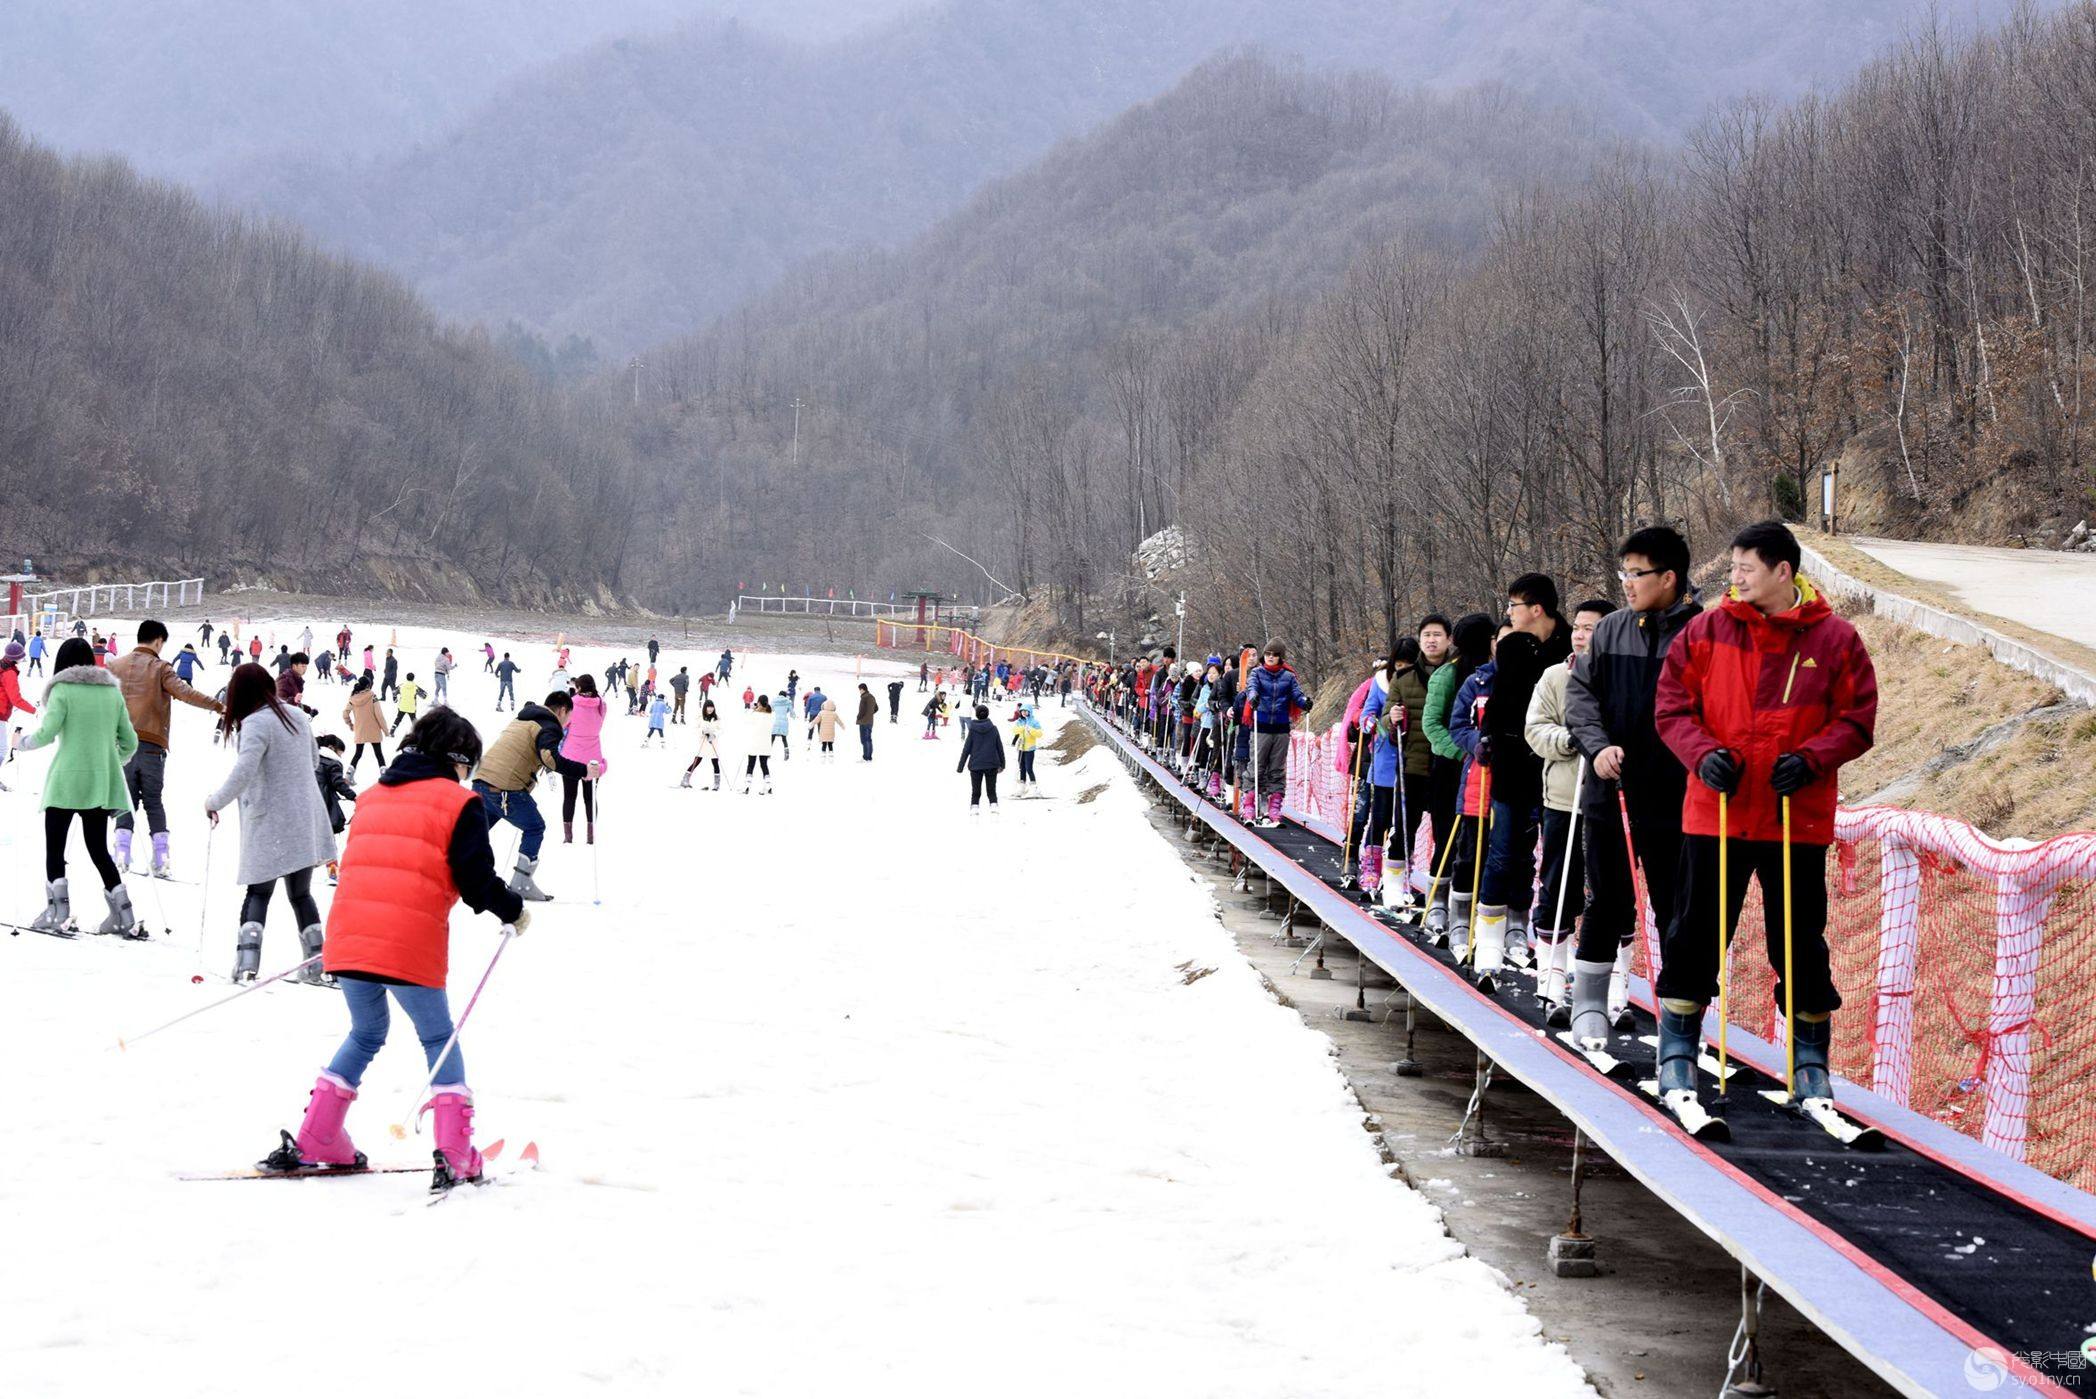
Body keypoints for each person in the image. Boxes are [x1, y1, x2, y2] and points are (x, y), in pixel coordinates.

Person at [1652, 520, 1877, 1120]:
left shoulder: (1836, 639)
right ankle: (1677, 1048)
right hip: (1717, 813)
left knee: (1800, 940)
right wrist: (1702, 754)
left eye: (1745, 567)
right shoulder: (1706, 631)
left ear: (1783, 571)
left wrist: (1812, 759)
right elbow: (1671, 708)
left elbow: (1857, 719)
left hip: (1793, 817)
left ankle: (1810, 1060)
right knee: (1695, 931)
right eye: (1733, 567)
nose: (1735, 577)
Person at [256, 708, 527, 1186]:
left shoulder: (372, 796)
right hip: (408, 944)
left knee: (366, 1032)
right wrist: (513, 909)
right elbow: (475, 880)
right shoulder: (460, 803)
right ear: (457, 759)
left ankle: (318, 1136)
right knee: (438, 1038)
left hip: (348, 937)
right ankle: (455, 1151)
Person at [1565, 525, 1702, 1045]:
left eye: (1637, 573)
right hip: (1612, 789)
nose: (1627, 582)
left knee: (1678, 908)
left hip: (1678, 796)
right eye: (1624, 572)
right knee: (1605, 898)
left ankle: (1682, 1017)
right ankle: (1589, 1003)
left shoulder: (1703, 633)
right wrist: (1597, 746)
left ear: (1669, 577)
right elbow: (1581, 696)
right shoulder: (1610, 630)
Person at [1472, 575, 1573, 984]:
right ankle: (1488, 942)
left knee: (1553, 858)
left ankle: (1543, 943)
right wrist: (1486, 737)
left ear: (1536, 608)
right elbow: (1499, 702)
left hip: (1557, 767)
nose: (1509, 613)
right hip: (1512, 764)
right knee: (1502, 852)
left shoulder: (1569, 646)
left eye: (1514, 605)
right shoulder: (1512, 646)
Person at [206, 663, 336, 984]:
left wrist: (214, 802)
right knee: (301, 894)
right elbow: (314, 761)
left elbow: (244, 771)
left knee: (259, 892)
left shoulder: (254, 723)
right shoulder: (298, 716)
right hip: (304, 817)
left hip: (270, 822)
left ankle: (246, 965)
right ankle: (317, 965)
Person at [1524, 598, 1615, 1020]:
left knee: (1610, 893)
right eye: (1577, 627)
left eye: (1590, 628)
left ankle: (1611, 987)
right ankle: (1550, 979)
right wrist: (1569, 740)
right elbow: (1535, 728)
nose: (1580, 635)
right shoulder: (1555, 676)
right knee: (1558, 885)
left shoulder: (1621, 678)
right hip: (1563, 797)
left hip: (1611, 802)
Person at [19, 637, 142, 935]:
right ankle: (124, 915)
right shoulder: (111, 693)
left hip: (66, 781)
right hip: (99, 784)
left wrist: (21, 743)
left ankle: (57, 912)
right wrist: (110, 761)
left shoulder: (61, 690)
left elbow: (47, 733)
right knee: (98, 848)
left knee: (55, 847)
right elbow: (130, 742)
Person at [110, 620, 226, 878]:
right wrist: (218, 706)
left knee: (125, 799)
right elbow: (185, 692)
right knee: (153, 801)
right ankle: (161, 859)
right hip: (152, 745)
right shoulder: (161, 667)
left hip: (121, 746)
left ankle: (121, 853)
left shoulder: (115, 666)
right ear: (158, 641)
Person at [473, 691, 571, 900]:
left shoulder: (523, 718)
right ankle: (522, 882)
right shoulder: (549, 725)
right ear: (562, 710)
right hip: (504, 788)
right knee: (535, 827)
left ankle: (446, 869)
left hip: (482, 780)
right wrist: (584, 771)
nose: (567, 722)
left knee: (475, 831)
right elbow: (551, 759)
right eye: (569, 716)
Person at [1242, 642, 1310, 828]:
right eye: (1268, 654)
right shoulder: (1257, 673)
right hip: (1261, 726)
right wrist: (1253, 697)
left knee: (1277, 769)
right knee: (1256, 766)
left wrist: (1304, 702)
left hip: (1280, 728)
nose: (1270, 657)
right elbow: (1251, 687)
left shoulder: (1288, 676)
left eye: (1274, 654)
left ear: (1280, 657)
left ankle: (1274, 808)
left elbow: (1296, 694)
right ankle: (1249, 806)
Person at [557, 675, 607, 843]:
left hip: (571, 757)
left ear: (578, 688)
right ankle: (591, 837)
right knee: (590, 797)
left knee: (569, 796)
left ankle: (568, 837)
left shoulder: (571, 704)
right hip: (593, 756)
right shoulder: (601, 704)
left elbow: (563, 724)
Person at [314, 734, 358, 880]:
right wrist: (354, 796)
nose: (340, 756)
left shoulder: (311, 758)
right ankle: (333, 874)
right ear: (332, 748)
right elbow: (338, 784)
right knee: (328, 842)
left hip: (307, 804)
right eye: (340, 753)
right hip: (324, 805)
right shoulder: (332, 763)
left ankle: (296, 873)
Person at [957, 703, 1006, 813]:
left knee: (976, 790)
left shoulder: (973, 730)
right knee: (991, 789)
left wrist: (960, 766)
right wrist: (1002, 764)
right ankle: (994, 805)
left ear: (976, 715)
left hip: (976, 764)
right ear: (987, 714)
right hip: (992, 764)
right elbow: (999, 747)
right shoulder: (993, 729)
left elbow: (966, 749)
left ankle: (975, 807)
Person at [0, 641, 36, 790]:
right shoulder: (9, 673)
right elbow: (16, 699)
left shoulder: (2, 665)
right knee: (2, 749)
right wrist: (34, 710)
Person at [344, 672, 387, 772]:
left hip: (360, 730)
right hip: (374, 730)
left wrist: (350, 724)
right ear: (368, 685)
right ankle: (384, 773)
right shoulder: (373, 697)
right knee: (379, 754)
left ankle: (349, 774)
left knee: (358, 754)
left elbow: (345, 713)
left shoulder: (353, 698)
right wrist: (385, 730)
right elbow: (379, 715)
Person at [681, 699, 724, 790]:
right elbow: (695, 729)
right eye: (708, 707)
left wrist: (714, 735)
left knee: (715, 762)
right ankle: (685, 780)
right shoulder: (700, 717)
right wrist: (702, 731)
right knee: (697, 761)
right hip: (703, 743)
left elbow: (720, 730)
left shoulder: (717, 718)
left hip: (712, 743)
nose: (710, 709)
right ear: (705, 708)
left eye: (712, 707)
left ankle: (717, 784)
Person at [742, 695, 776, 794]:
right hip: (766, 744)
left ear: (759, 703)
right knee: (764, 765)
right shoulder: (771, 715)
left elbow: (746, 720)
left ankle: (746, 786)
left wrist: (753, 709)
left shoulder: (754, 714)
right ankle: (768, 786)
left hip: (754, 743)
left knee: (751, 764)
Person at [1011, 702, 1042, 795]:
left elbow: (1039, 734)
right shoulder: (1019, 721)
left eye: (1026, 711)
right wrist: (1022, 728)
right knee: (1021, 768)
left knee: (1029, 768)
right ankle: (1022, 787)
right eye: (1022, 711)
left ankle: (1034, 788)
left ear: (1030, 712)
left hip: (1030, 748)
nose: (1024, 713)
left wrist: (1030, 730)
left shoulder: (1034, 722)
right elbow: (1014, 730)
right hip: (1021, 748)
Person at [855, 683, 878, 761]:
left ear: (862, 689)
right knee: (869, 739)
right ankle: (869, 757)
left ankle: (865, 757)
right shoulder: (872, 697)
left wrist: (858, 717)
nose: (859, 691)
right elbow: (876, 708)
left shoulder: (864, 697)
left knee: (864, 740)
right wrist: (870, 714)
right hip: (870, 722)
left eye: (859, 690)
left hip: (863, 722)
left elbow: (862, 711)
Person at [815, 693, 840, 759]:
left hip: (823, 732)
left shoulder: (821, 713)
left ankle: (823, 753)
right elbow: (839, 721)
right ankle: (831, 752)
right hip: (831, 732)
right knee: (830, 743)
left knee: (824, 743)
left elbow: (816, 720)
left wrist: (811, 725)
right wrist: (843, 727)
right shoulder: (834, 714)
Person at [770, 690, 792, 760]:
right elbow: (792, 713)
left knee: (772, 737)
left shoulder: (774, 701)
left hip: (776, 721)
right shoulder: (788, 702)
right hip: (784, 722)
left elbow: (771, 709)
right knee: (784, 738)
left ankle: (767, 753)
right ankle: (787, 754)